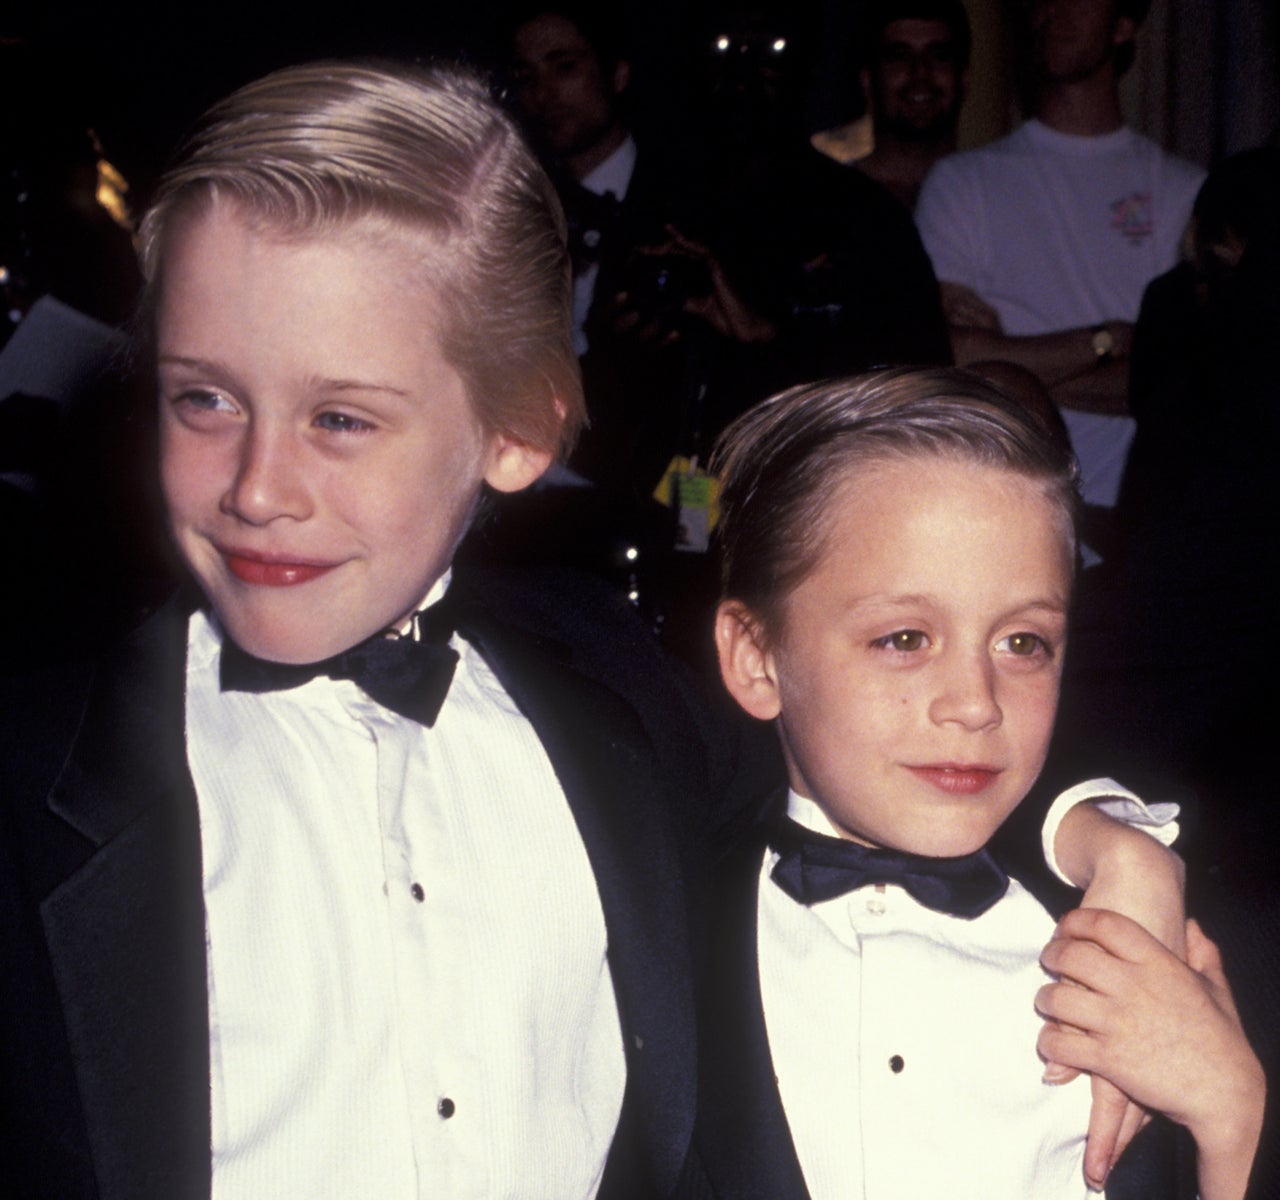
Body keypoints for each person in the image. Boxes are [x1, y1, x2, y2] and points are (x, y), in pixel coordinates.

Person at [0, 61, 1187, 1199]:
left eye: (342, 418)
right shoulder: (32, 777)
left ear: (518, 431)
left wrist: (1112, 844)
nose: (259, 487)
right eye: (203, 398)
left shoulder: (612, 696)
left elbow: (889, 748)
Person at [680, 368, 1264, 1199]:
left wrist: (1234, 1120)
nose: (975, 703)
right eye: (905, 637)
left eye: (1023, 643)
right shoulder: (652, 925)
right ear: (754, 656)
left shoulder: (1168, 961)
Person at [914, 0, 1204, 512]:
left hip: (1136, 520)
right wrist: (1111, 339)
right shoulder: (962, 183)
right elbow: (948, 357)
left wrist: (1008, 360)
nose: (1053, 8)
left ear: (1124, 24)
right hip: (1001, 508)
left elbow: (1180, 379)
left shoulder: (1183, 189)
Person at [849, 0, 971, 211]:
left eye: (938, 57)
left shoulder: (998, 195)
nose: (920, 74)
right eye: (899, 58)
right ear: (868, 82)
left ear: (964, 81)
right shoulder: (829, 202)